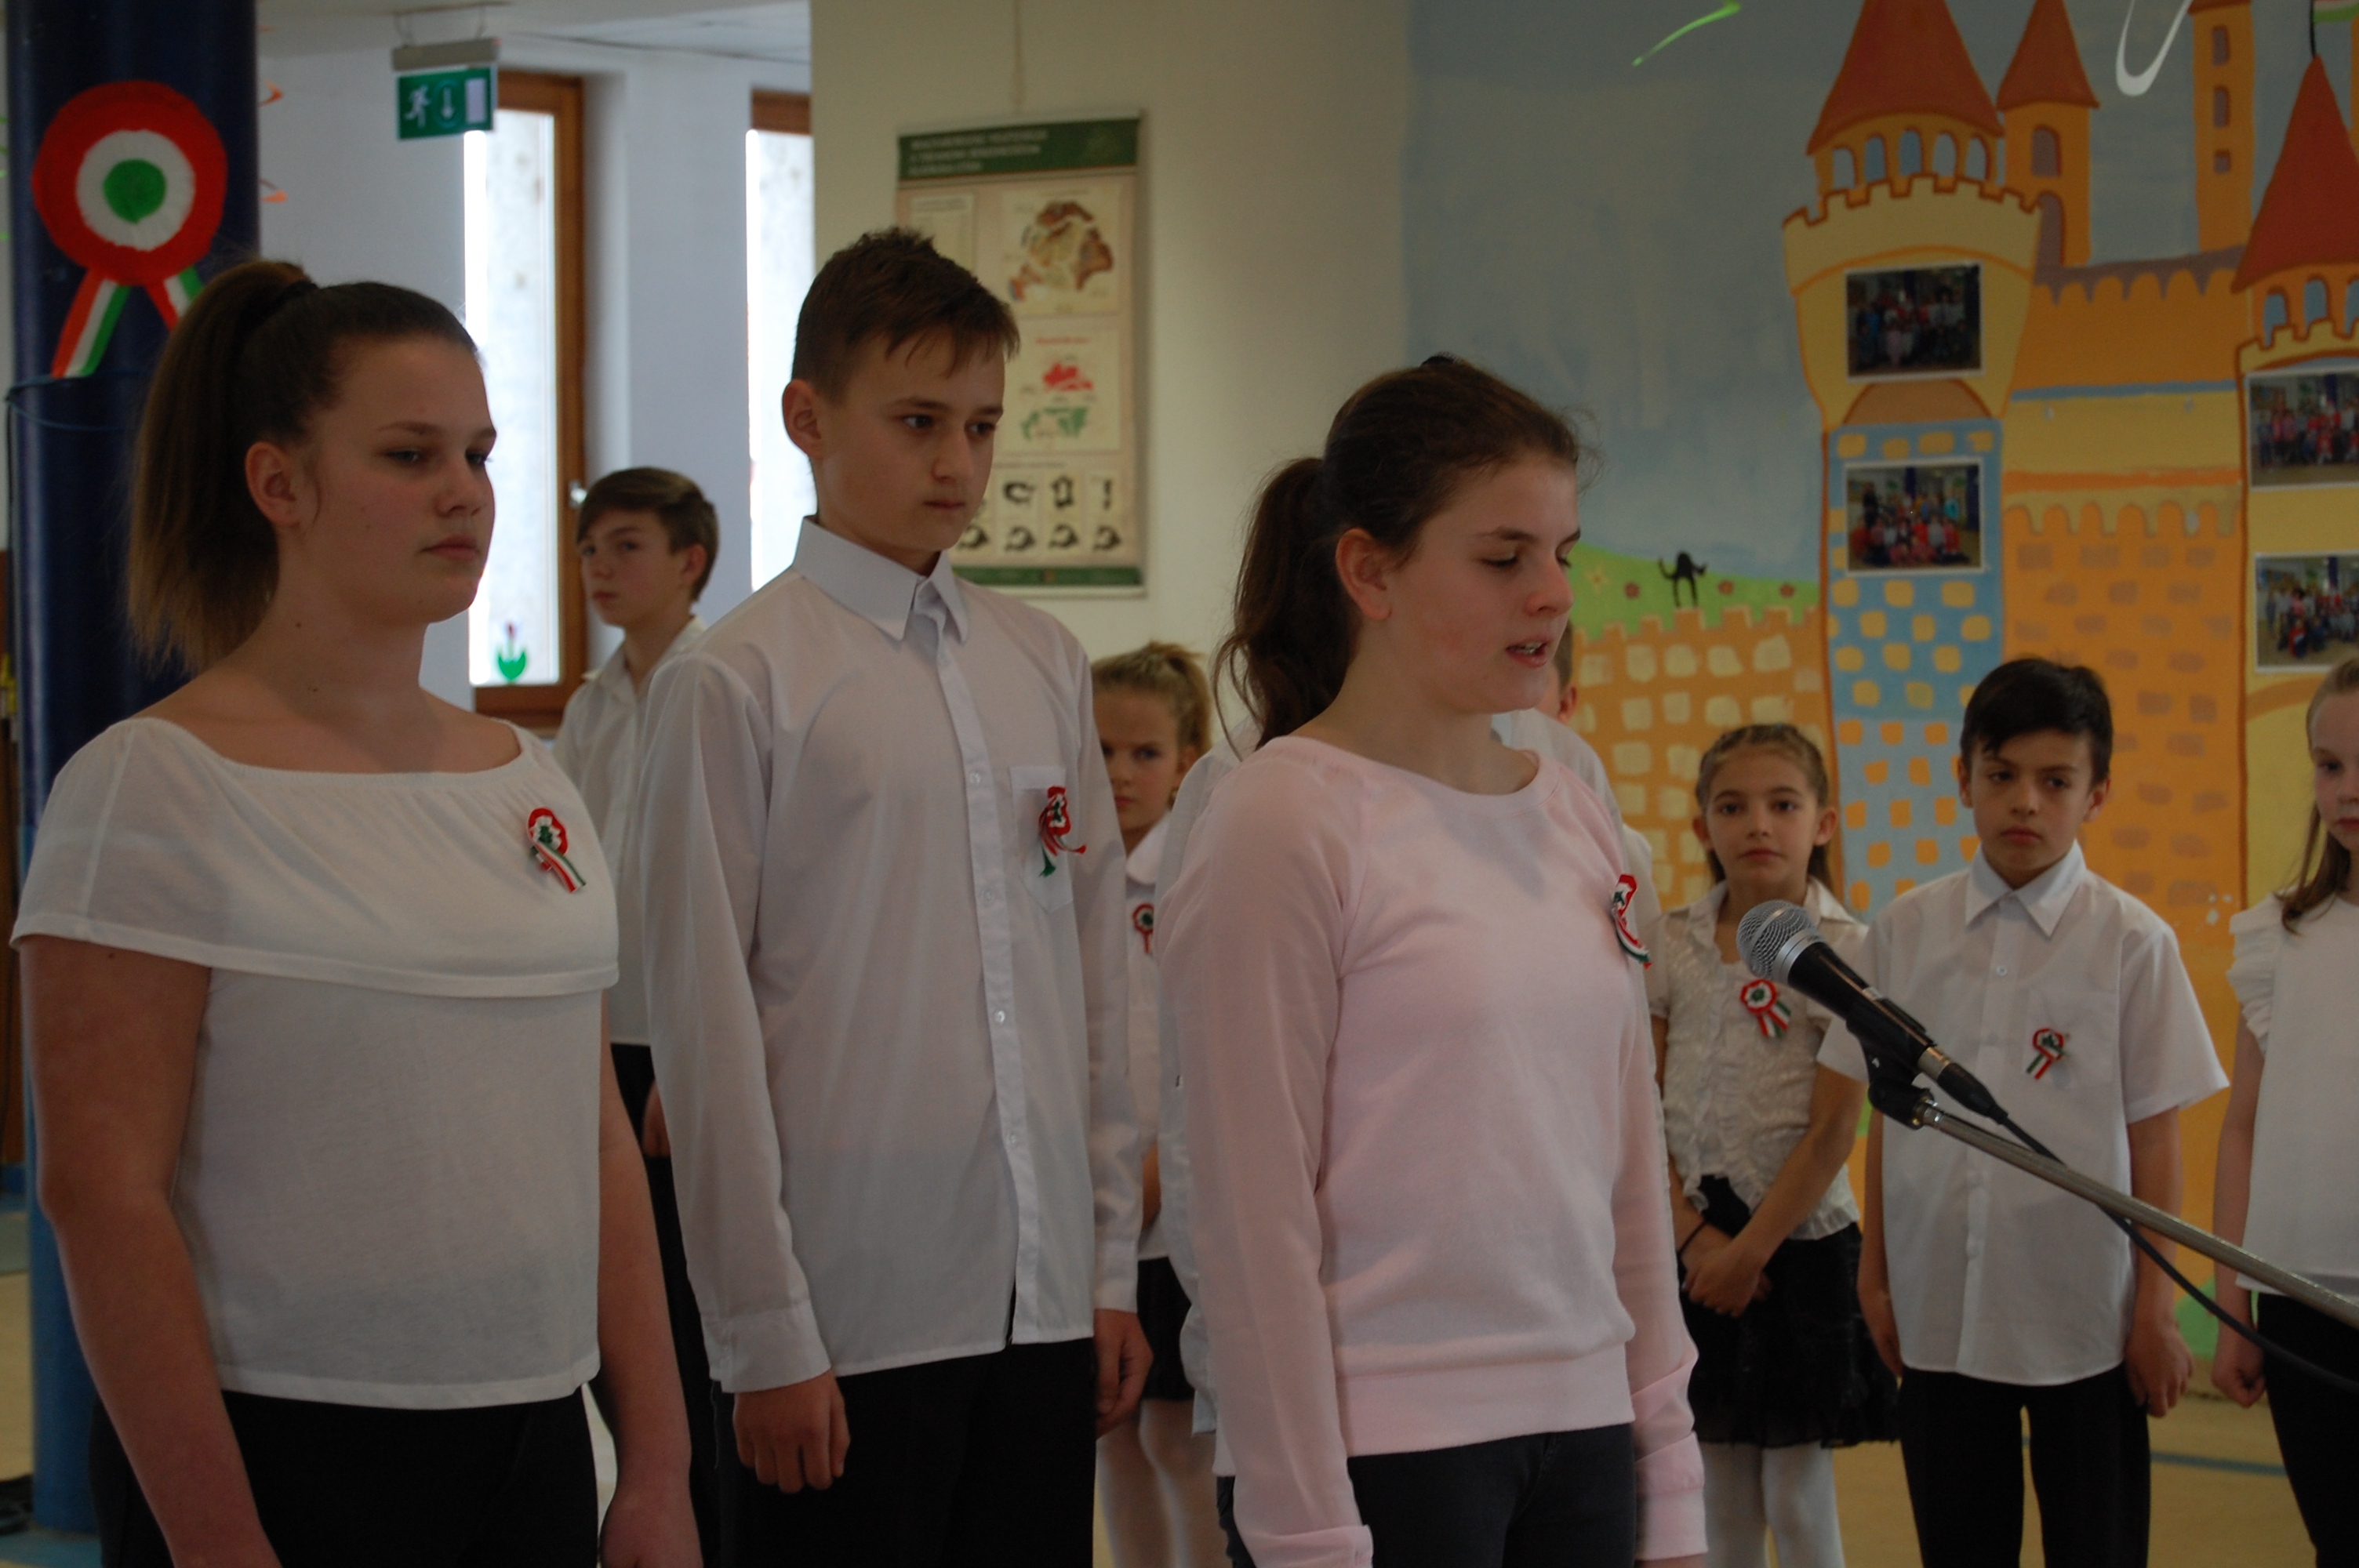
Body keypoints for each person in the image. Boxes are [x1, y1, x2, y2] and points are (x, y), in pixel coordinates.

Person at [14, 260, 698, 1567]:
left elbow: (596, 1142)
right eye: (407, 454)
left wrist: (659, 1467)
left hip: (531, 1436)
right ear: (280, 484)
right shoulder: (153, 787)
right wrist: (220, 1540)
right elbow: (102, 1194)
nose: (464, 492)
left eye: (478, 455)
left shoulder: (528, 779)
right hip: (275, 1448)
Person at [632, 228, 1147, 1568]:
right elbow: (704, 1034)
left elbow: (1096, 984)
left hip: (1039, 1301)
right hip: (844, 1314)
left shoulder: (1042, 660)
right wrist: (762, 1335)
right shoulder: (735, 680)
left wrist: (1104, 1267)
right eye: (918, 422)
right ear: (807, 417)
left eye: (981, 426)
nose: (957, 464)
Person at [1161, 357, 1705, 1568]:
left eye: (1563, 553)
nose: (1552, 594)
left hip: (1585, 1429)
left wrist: (1667, 1472)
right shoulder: (1282, 818)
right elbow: (1250, 1218)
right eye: (1503, 558)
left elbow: (1628, 1161)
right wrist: (1305, 1525)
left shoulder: (1575, 814)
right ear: (1370, 572)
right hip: (1380, 1449)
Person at [1818, 658, 2227, 1568]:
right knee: (1958, 1543)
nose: (2024, 802)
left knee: (2095, 1543)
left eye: (2054, 780)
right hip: (1939, 1303)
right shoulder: (1904, 930)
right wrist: (1876, 1274)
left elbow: (2154, 1139)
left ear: (2096, 793)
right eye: (2000, 774)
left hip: (2082, 1313)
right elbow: (1888, 1113)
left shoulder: (2131, 942)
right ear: (1962, 776)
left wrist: (2154, 1309)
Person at [1648, 725, 1896, 1568]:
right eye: (1732, 806)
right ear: (1701, 827)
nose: (1757, 823)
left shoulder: (1847, 947)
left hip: (1798, 1246)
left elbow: (1832, 1131)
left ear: (1822, 822)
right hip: (1694, 1244)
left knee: (1796, 1493)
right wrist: (1694, 1238)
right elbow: (1641, 1102)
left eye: (1782, 804)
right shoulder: (1672, 940)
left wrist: (1749, 1250)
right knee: (1716, 1493)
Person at [551, 465, 721, 1559]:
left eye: (625, 547)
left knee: (693, 1301)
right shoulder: (591, 702)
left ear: (689, 561)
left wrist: (693, 1062)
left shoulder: (721, 682)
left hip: (686, 1037)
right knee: (618, 1289)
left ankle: (705, 1509)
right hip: (600, 1034)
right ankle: (653, 1499)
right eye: (588, 550)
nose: (599, 569)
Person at [2215, 655, 2359, 1562]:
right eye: (2329, 764)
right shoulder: (2280, 936)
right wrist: (2233, 1294)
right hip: (2300, 1301)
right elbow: (2241, 1127)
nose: (2346, 789)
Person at [1089, 642, 1223, 1568]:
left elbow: (1200, 1061)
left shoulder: (1192, 872)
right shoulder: (1065, 871)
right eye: (1100, 750)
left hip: (1168, 1211)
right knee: (1111, 1433)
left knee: (1177, 1437)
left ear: (1185, 762)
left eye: (1143, 753)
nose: (1118, 772)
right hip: (1092, 1212)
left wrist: (1146, 1181)